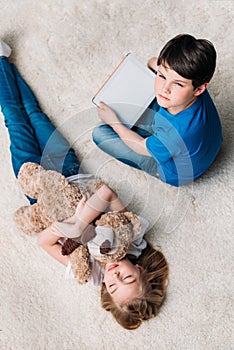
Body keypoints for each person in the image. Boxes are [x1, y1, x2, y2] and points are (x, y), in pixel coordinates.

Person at [0, 40, 169, 329]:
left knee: (15, 122)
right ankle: (5, 64)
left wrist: (69, 225)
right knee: (36, 114)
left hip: (41, 192)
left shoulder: (90, 273)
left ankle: (2, 62)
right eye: (127, 277)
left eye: (114, 286)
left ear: (107, 291)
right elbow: (107, 193)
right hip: (69, 169)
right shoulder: (131, 237)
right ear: (139, 268)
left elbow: (44, 242)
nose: (116, 276)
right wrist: (79, 224)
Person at [92, 34, 223, 187]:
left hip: (175, 172)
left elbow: (140, 145)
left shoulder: (175, 133)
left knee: (100, 133)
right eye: (162, 75)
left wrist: (114, 123)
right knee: (146, 98)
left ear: (199, 89)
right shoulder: (194, 82)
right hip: (207, 143)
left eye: (178, 84)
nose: (165, 89)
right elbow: (155, 63)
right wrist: (156, 65)